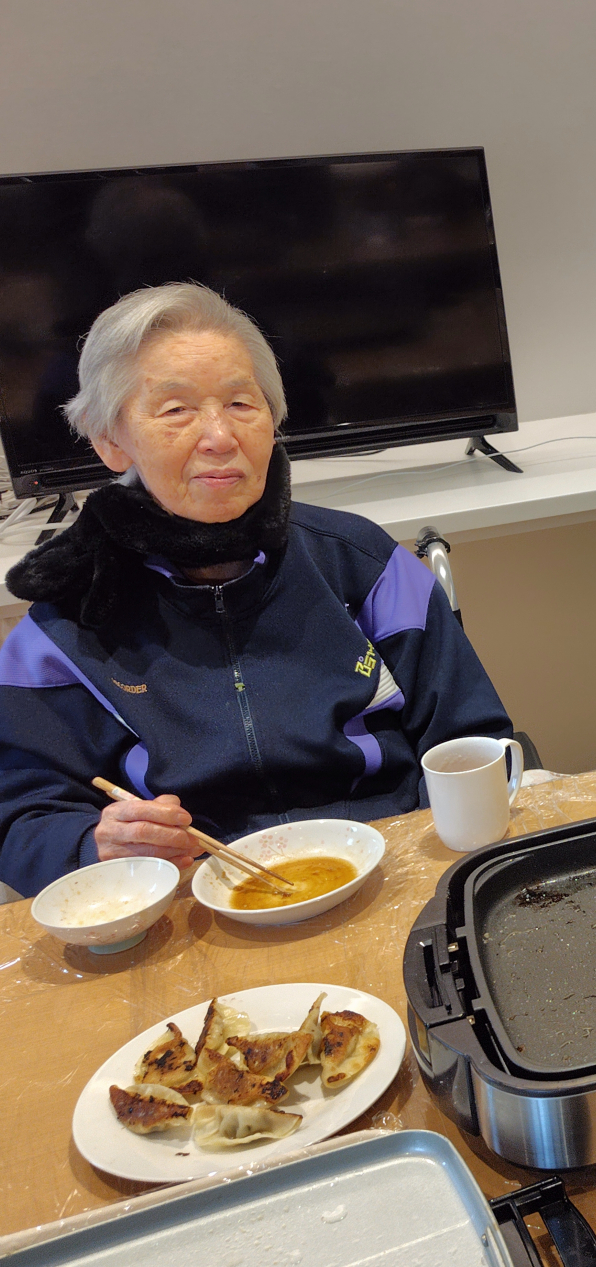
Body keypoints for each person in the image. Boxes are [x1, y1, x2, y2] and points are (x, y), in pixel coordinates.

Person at [0, 284, 512, 895]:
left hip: (389, 866)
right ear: (110, 440)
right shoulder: (66, 621)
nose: (220, 437)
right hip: (191, 896)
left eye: (242, 403)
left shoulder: (364, 564)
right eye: (176, 410)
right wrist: (94, 844)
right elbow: (21, 818)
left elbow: (473, 739)